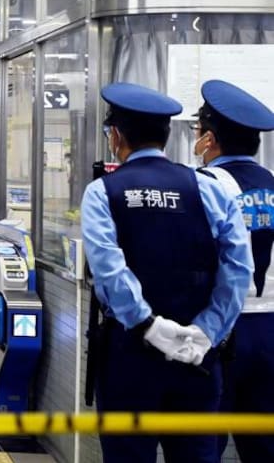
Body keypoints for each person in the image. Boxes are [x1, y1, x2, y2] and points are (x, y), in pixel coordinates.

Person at [80, 82, 252, 463]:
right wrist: (207, 331)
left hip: (129, 355)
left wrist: (148, 326)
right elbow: (239, 268)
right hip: (197, 356)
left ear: (116, 136)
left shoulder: (102, 192)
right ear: (167, 135)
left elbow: (109, 269)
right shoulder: (208, 189)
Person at [191, 80, 274, 463]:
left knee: (204, 442)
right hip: (270, 330)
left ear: (209, 139)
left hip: (224, 331)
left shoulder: (206, 185)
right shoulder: (272, 183)